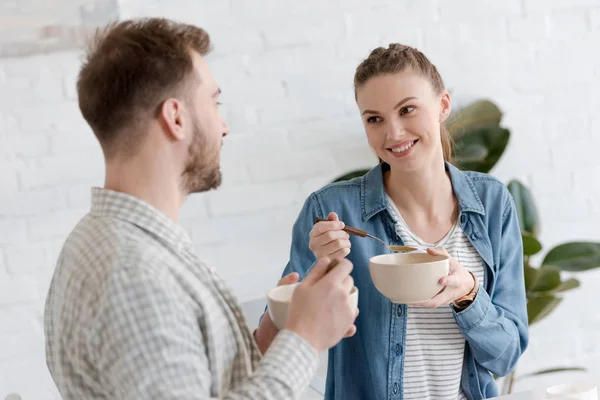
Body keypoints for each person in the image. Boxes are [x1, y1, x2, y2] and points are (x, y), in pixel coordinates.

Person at [44, 18, 358, 400]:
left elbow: (198, 381)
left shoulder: (118, 241)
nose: (223, 126)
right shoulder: (134, 276)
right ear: (175, 117)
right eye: (214, 102)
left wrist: (272, 337)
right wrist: (305, 338)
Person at [270, 44, 529, 400]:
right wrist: (321, 272)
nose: (393, 134)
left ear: (442, 105)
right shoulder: (332, 210)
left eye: (407, 109)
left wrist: (469, 294)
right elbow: (281, 339)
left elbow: (506, 356)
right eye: (374, 118)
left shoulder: (493, 202)